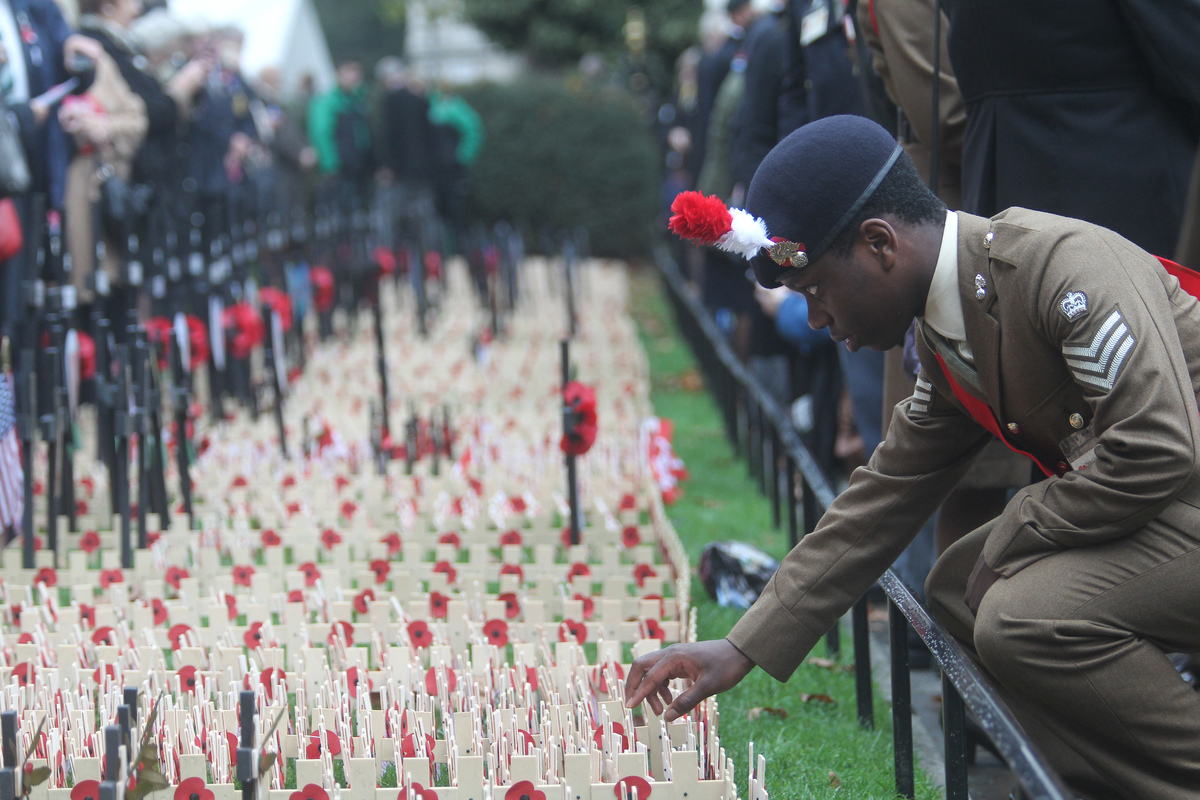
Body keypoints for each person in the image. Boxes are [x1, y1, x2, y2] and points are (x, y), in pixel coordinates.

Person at [635, 115, 1200, 800]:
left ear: (879, 244)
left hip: (1179, 491)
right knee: (955, 590)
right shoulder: (948, 327)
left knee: (1022, 612)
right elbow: (884, 495)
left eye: (817, 290)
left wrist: (1021, 526)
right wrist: (743, 646)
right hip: (1175, 510)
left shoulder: (1059, 268)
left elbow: (1158, 446)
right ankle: (1096, 784)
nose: (816, 319)